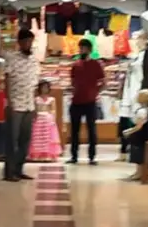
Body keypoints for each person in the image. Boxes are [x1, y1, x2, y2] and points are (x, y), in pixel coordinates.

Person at [3, 28, 39, 182]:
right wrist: (8, 102)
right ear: (20, 42)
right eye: (26, 41)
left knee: (25, 140)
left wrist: (35, 105)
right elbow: (6, 80)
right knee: (12, 139)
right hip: (15, 105)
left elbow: (34, 85)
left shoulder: (34, 61)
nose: (28, 44)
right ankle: (9, 172)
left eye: (30, 41)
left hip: (29, 105)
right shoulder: (11, 58)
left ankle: (19, 169)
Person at [68, 37, 105, 165]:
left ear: (89, 50)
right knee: (74, 130)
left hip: (90, 102)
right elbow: (72, 81)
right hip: (76, 101)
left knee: (91, 130)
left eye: (83, 48)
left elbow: (103, 81)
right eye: (80, 48)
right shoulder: (75, 65)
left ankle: (92, 156)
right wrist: (74, 90)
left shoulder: (96, 64)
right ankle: (74, 156)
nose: (81, 50)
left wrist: (96, 92)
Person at [27, 80, 62, 162]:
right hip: (38, 119)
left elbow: (53, 110)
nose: (44, 89)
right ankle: (37, 155)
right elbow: (34, 110)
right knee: (38, 138)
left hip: (47, 119)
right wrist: (34, 118)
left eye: (46, 87)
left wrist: (53, 119)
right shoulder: (36, 99)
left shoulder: (51, 99)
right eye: (43, 87)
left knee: (47, 138)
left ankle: (47, 155)